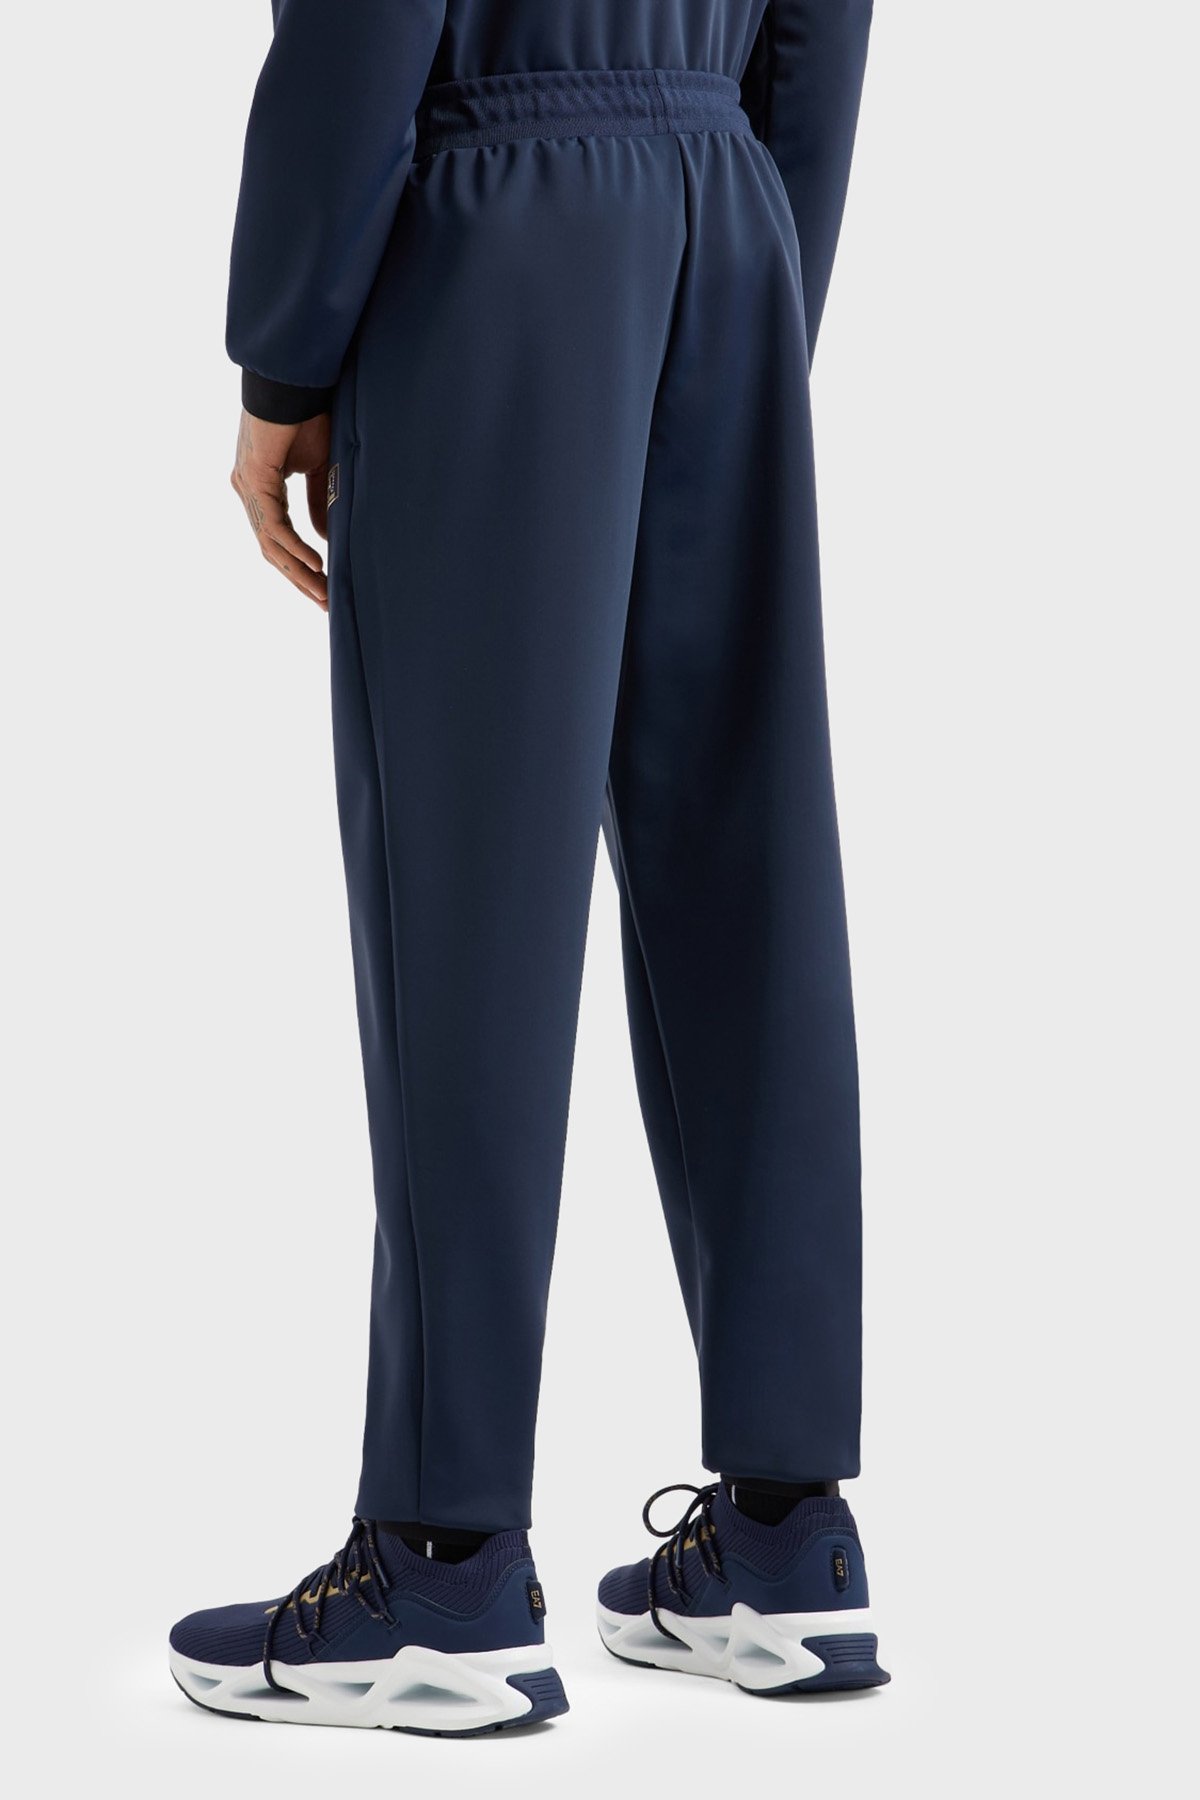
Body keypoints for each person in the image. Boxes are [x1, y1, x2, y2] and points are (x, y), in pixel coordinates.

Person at [169, 0, 885, 1735]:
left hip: (500, 218)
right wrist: (754, 271)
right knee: (746, 872)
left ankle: (442, 1562)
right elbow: (825, 28)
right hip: (726, 212)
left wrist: (285, 353)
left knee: (465, 891)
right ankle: (789, 1536)